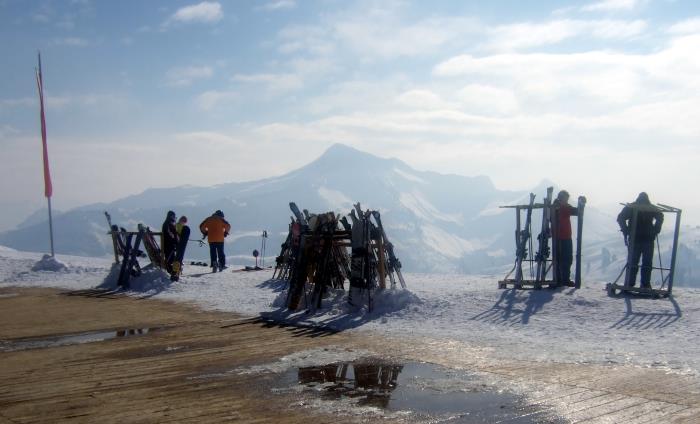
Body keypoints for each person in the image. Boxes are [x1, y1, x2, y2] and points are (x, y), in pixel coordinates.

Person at [617, 192, 664, 289]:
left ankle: (630, 283)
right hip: (648, 239)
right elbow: (660, 216)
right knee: (646, 263)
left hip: (636, 238)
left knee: (633, 262)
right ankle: (645, 284)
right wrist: (656, 230)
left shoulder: (632, 207)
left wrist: (626, 230)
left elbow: (620, 218)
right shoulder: (650, 208)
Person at [552, 190, 579, 284]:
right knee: (564, 259)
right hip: (561, 237)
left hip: (564, 236)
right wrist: (581, 205)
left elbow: (574, 211)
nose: (567, 201)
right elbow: (576, 211)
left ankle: (562, 279)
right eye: (566, 198)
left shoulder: (561, 206)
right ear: (561, 198)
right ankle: (563, 280)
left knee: (564, 259)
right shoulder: (559, 207)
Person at [172, 216, 191, 280]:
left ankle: (177, 269)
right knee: (179, 257)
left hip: (176, 242)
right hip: (179, 243)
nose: (184, 223)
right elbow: (180, 234)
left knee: (178, 257)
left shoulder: (176, 225)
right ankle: (176, 271)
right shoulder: (180, 226)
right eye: (184, 221)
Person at [161, 210, 179, 276]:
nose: (175, 218)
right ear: (171, 216)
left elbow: (173, 234)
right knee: (170, 259)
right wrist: (175, 241)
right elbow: (170, 235)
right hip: (169, 245)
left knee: (172, 258)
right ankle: (171, 271)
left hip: (170, 244)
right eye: (174, 216)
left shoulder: (169, 223)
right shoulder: (168, 224)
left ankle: (173, 271)